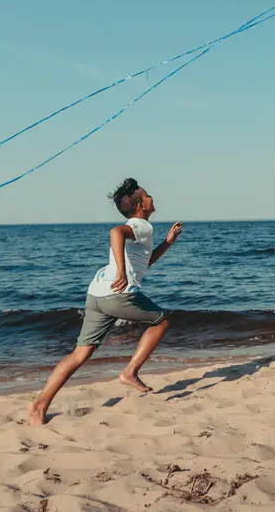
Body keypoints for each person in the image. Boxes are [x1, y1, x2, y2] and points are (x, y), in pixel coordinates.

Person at [27, 178, 182, 425]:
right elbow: (115, 232)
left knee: (80, 353)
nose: (152, 196)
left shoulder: (141, 230)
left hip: (97, 293)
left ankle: (40, 405)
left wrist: (168, 243)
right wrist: (121, 272)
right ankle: (130, 372)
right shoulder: (141, 226)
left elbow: (143, 263)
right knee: (161, 321)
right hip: (118, 294)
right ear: (141, 206)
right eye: (148, 194)